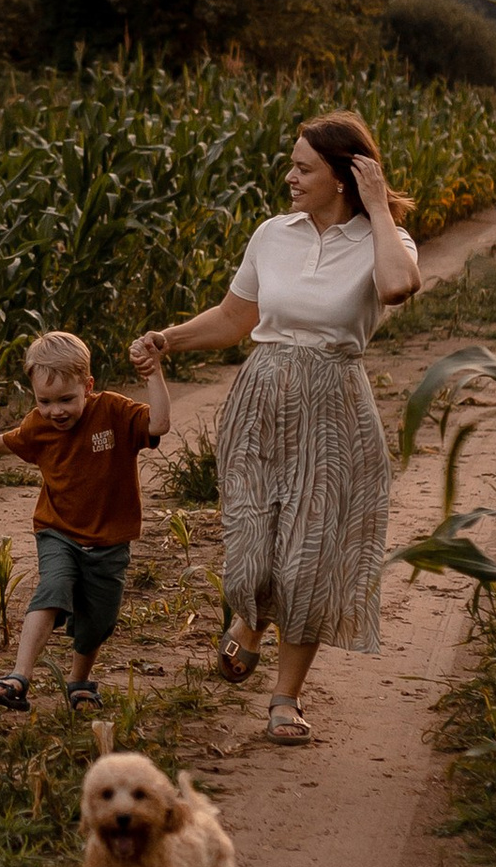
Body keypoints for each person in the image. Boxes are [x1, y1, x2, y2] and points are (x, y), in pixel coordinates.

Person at [129, 109, 421, 746]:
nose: (289, 176)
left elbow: (399, 287)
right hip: (262, 397)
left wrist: (378, 209)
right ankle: (247, 621)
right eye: (292, 164)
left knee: (309, 560)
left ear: (343, 177)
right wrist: (168, 339)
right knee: (250, 552)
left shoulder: (387, 244)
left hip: (336, 406)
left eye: (303, 168)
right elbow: (237, 318)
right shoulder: (272, 235)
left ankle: (285, 698)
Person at [0, 329, 173, 717]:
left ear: (88, 386)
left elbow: (159, 425)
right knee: (51, 589)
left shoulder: (113, 412)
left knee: (98, 622)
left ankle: (80, 681)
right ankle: (18, 677)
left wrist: (153, 375)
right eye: (44, 401)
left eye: (66, 399)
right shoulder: (40, 424)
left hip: (110, 541)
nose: (55, 411)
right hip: (57, 531)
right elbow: (10, 438)